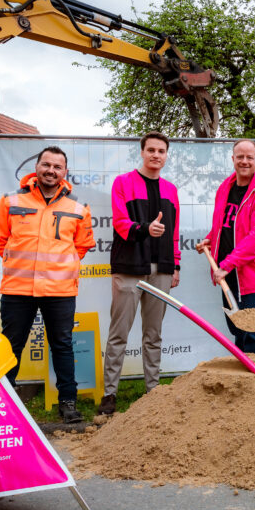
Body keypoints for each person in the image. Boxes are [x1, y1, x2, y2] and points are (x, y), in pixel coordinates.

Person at [0, 146, 93, 423]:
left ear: (64, 172)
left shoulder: (78, 207)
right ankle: (2, 406)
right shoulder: (10, 201)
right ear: (36, 167)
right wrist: (21, 262)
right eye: (46, 165)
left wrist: (61, 265)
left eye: (57, 167)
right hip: (17, 289)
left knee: (62, 345)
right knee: (11, 346)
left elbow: (82, 246)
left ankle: (68, 404)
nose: (51, 170)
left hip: (59, 291)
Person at [98, 132, 181, 416]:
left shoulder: (171, 189)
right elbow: (121, 223)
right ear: (142, 152)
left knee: (153, 334)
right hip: (129, 267)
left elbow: (174, 230)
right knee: (119, 333)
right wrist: (146, 229)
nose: (156, 155)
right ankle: (110, 394)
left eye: (161, 151)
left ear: (166, 155)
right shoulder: (123, 183)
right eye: (151, 150)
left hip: (162, 269)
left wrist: (176, 264)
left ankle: (153, 392)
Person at [197, 139, 255, 353]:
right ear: (233, 159)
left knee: (252, 333)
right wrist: (211, 238)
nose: (244, 161)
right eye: (240, 157)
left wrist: (227, 264)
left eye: (249, 157)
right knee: (237, 328)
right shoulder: (226, 187)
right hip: (230, 274)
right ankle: (246, 379)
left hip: (254, 276)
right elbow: (224, 224)